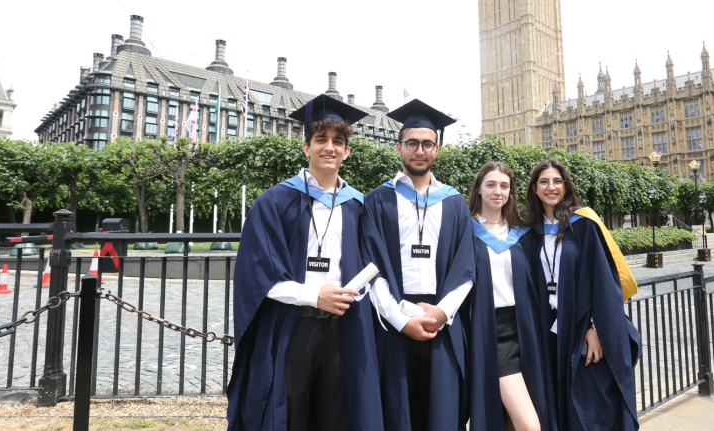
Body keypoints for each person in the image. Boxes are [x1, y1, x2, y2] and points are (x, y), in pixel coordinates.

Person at [227, 95, 383, 431]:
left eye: (338, 142)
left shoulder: (357, 205)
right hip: (293, 325)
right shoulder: (276, 201)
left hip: (344, 326)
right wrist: (314, 295)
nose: (329, 148)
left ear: (347, 151)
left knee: (337, 414)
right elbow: (258, 274)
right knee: (290, 414)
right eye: (321, 140)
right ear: (305, 147)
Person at [359, 99, 476, 431]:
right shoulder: (378, 200)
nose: (419, 150)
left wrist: (442, 312)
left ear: (437, 149)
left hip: (441, 322)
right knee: (398, 413)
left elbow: (465, 268)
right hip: (394, 323)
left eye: (427, 144)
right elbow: (371, 265)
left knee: (441, 414)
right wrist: (398, 318)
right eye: (412, 143)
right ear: (399, 148)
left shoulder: (453, 202)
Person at [525, 159, 641, 431]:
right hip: (548, 333)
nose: (551, 187)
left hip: (580, 329)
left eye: (557, 181)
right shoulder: (530, 232)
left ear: (565, 186)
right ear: (534, 188)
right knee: (556, 402)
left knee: (589, 406)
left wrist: (594, 327)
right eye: (544, 182)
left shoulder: (583, 223)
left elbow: (602, 281)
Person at [466, 162, 555, 431]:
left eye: (504, 186)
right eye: (491, 185)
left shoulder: (524, 233)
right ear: (479, 189)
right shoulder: (463, 230)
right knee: (530, 425)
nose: (498, 191)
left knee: (512, 422)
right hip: (490, 331)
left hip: (526, 330)